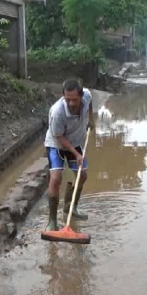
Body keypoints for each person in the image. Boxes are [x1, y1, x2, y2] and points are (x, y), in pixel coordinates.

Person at [44, 78, 95, 232]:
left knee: (82, 176)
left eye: (74, 99)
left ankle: (70, 207)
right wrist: (76, 154)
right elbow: (59, 136)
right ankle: (52, 221)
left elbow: (90, 102)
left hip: (76, 141)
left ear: (81, 96)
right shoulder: (57, 112)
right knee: (56, 178)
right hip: (57, 145)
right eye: (68, 100)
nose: (71, 103)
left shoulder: (87, 96)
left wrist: (91, 119)